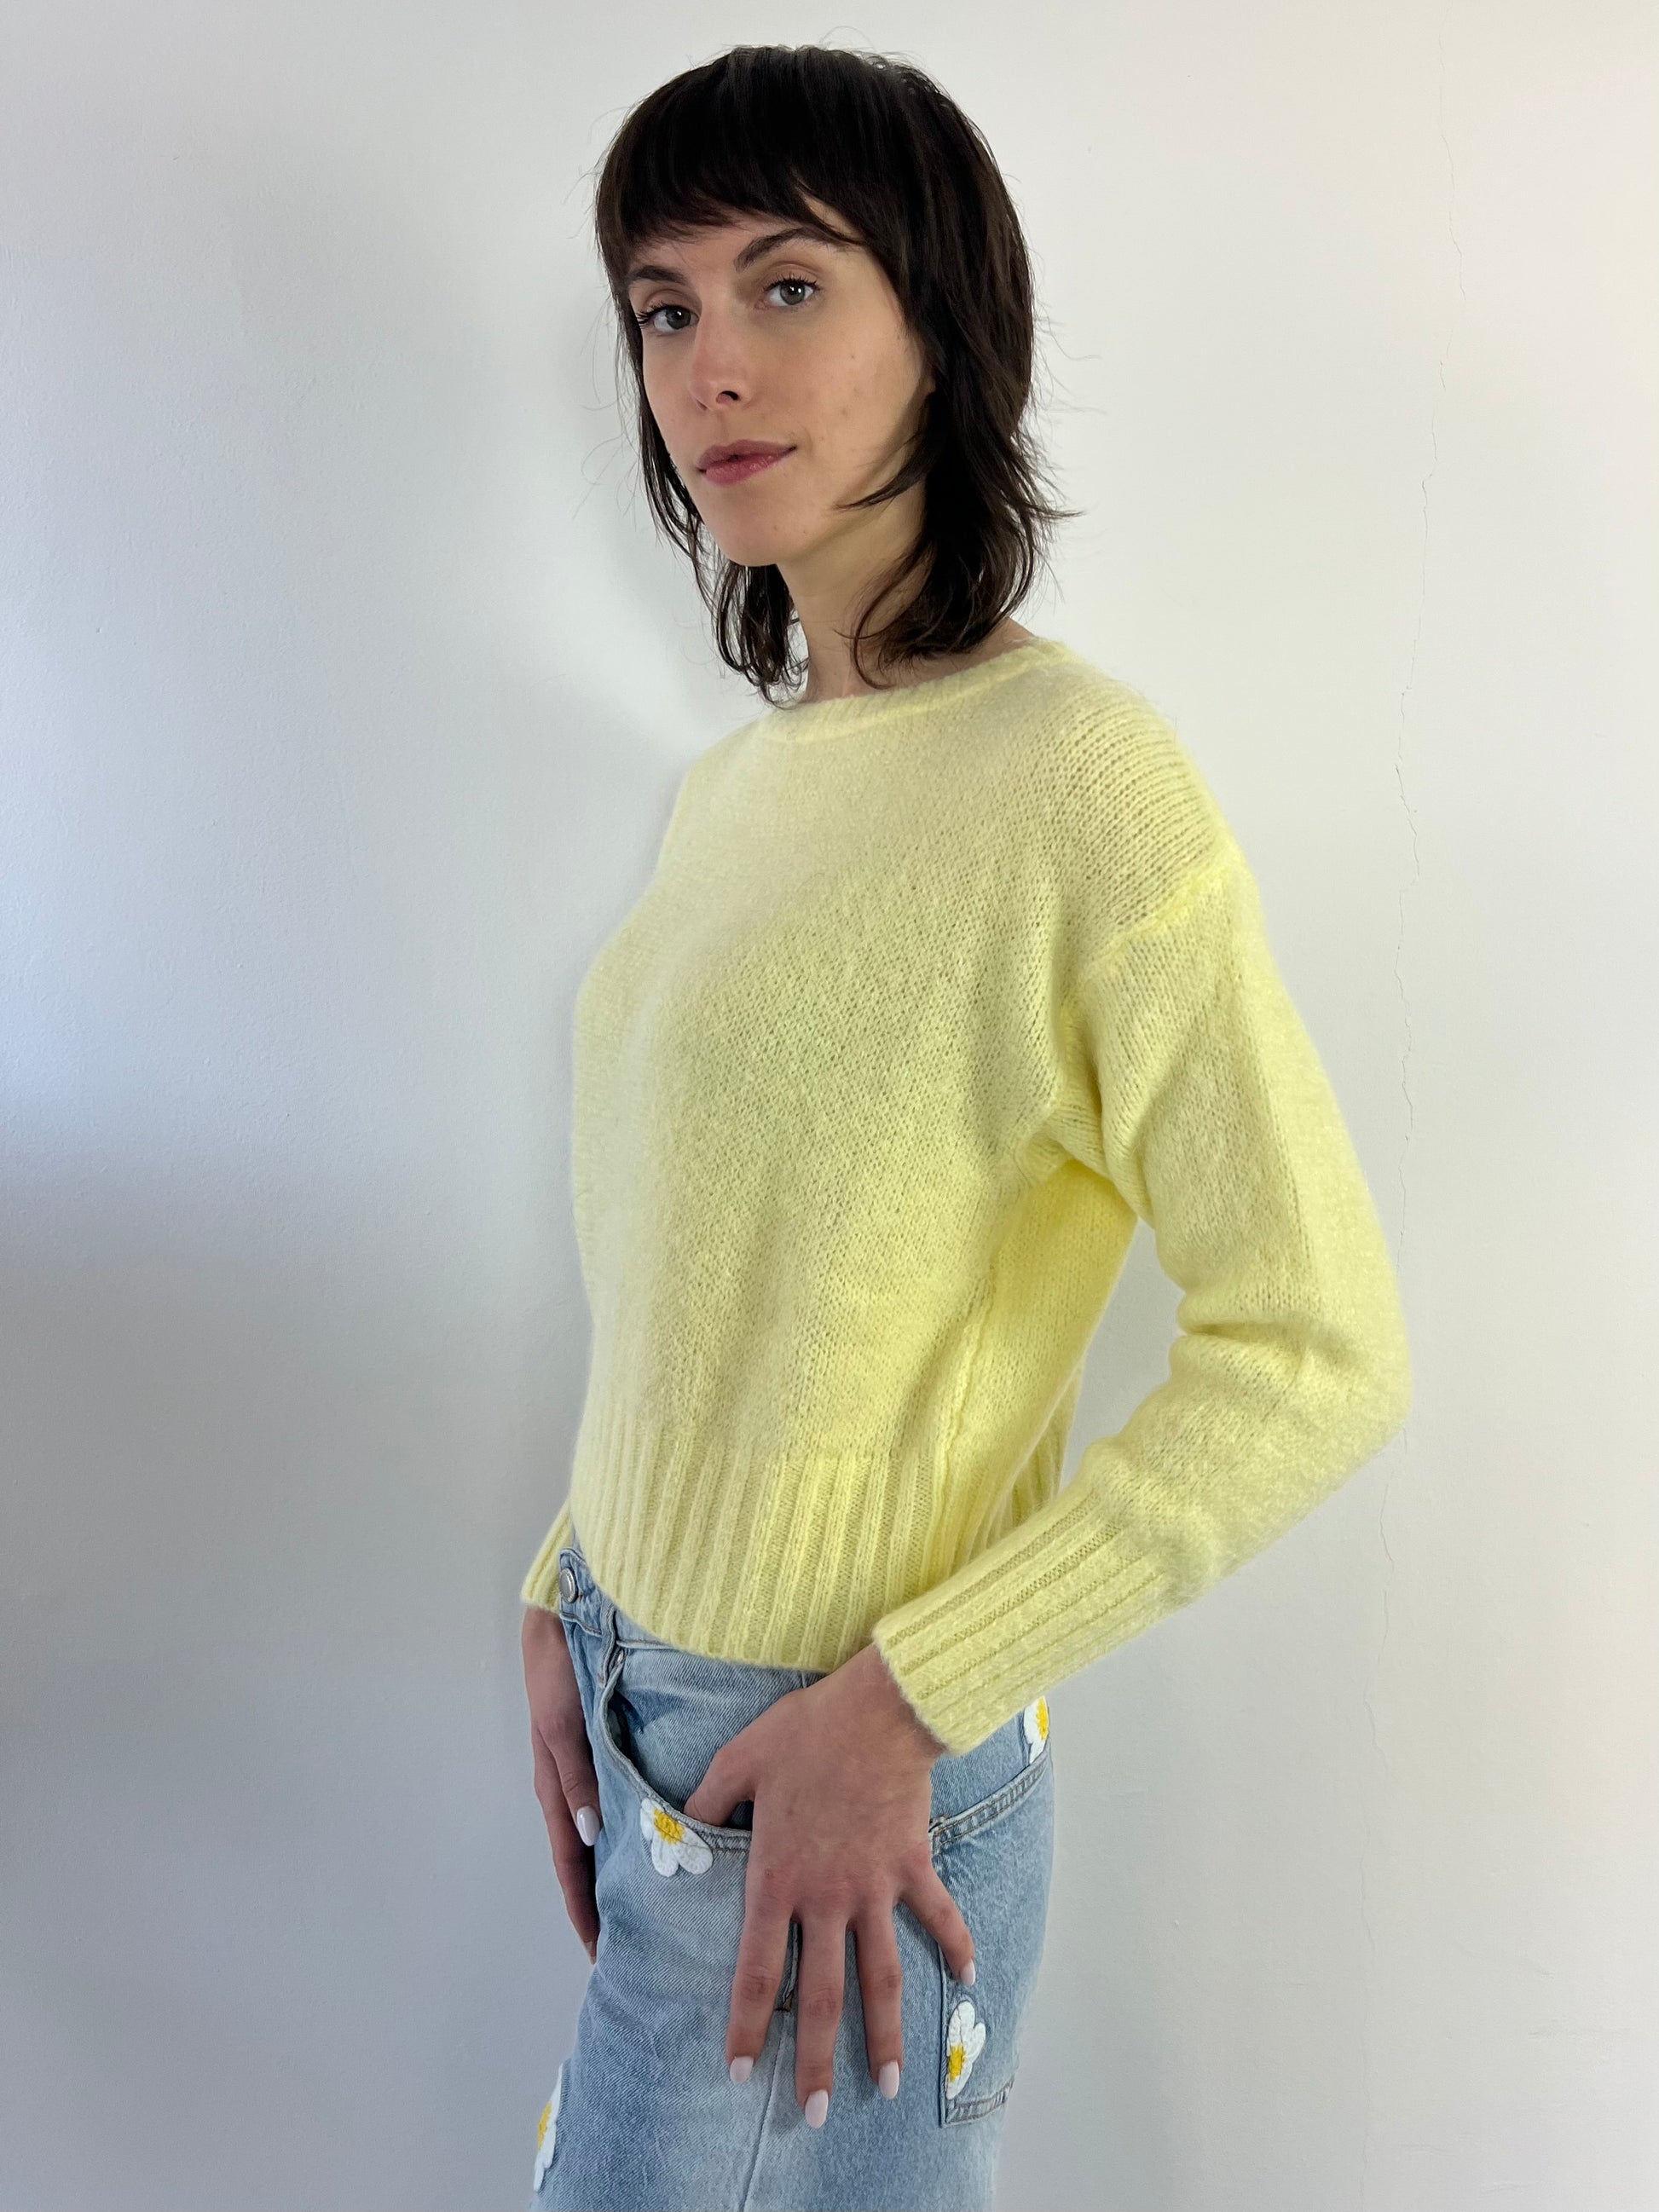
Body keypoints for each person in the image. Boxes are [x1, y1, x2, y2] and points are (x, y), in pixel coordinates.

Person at [517, 43, 1411, 2212]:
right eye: (662, 307)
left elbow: (1318, 1349)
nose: (712, 366)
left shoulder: (1083, 788)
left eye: (786, 284)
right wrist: (571, 1580)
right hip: (657, 1709)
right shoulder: (734, 790)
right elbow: (703, 1270)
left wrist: (904, 1696)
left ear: (942, 321)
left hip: (837, 1756)